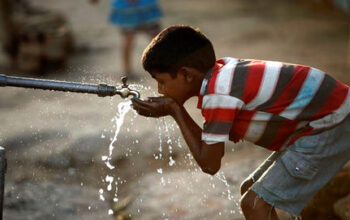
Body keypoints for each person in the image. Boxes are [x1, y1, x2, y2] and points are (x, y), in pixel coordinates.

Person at [131, 25, 350, 219]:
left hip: (332, 122)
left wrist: (175, 111)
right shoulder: (222, 74)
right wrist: (175, 109)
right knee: (251, 191)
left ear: (186, 75)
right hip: (328, 116)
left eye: (161, 82)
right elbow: (210, 152)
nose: (160, 90)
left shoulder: (219, 94)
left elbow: (209, 163)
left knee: (254, 204)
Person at [90, 0, 162, 81]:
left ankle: (164, 63)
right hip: (128, 11)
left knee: (157, 40)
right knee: (129, 41)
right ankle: (128, 70)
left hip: (142, 9)